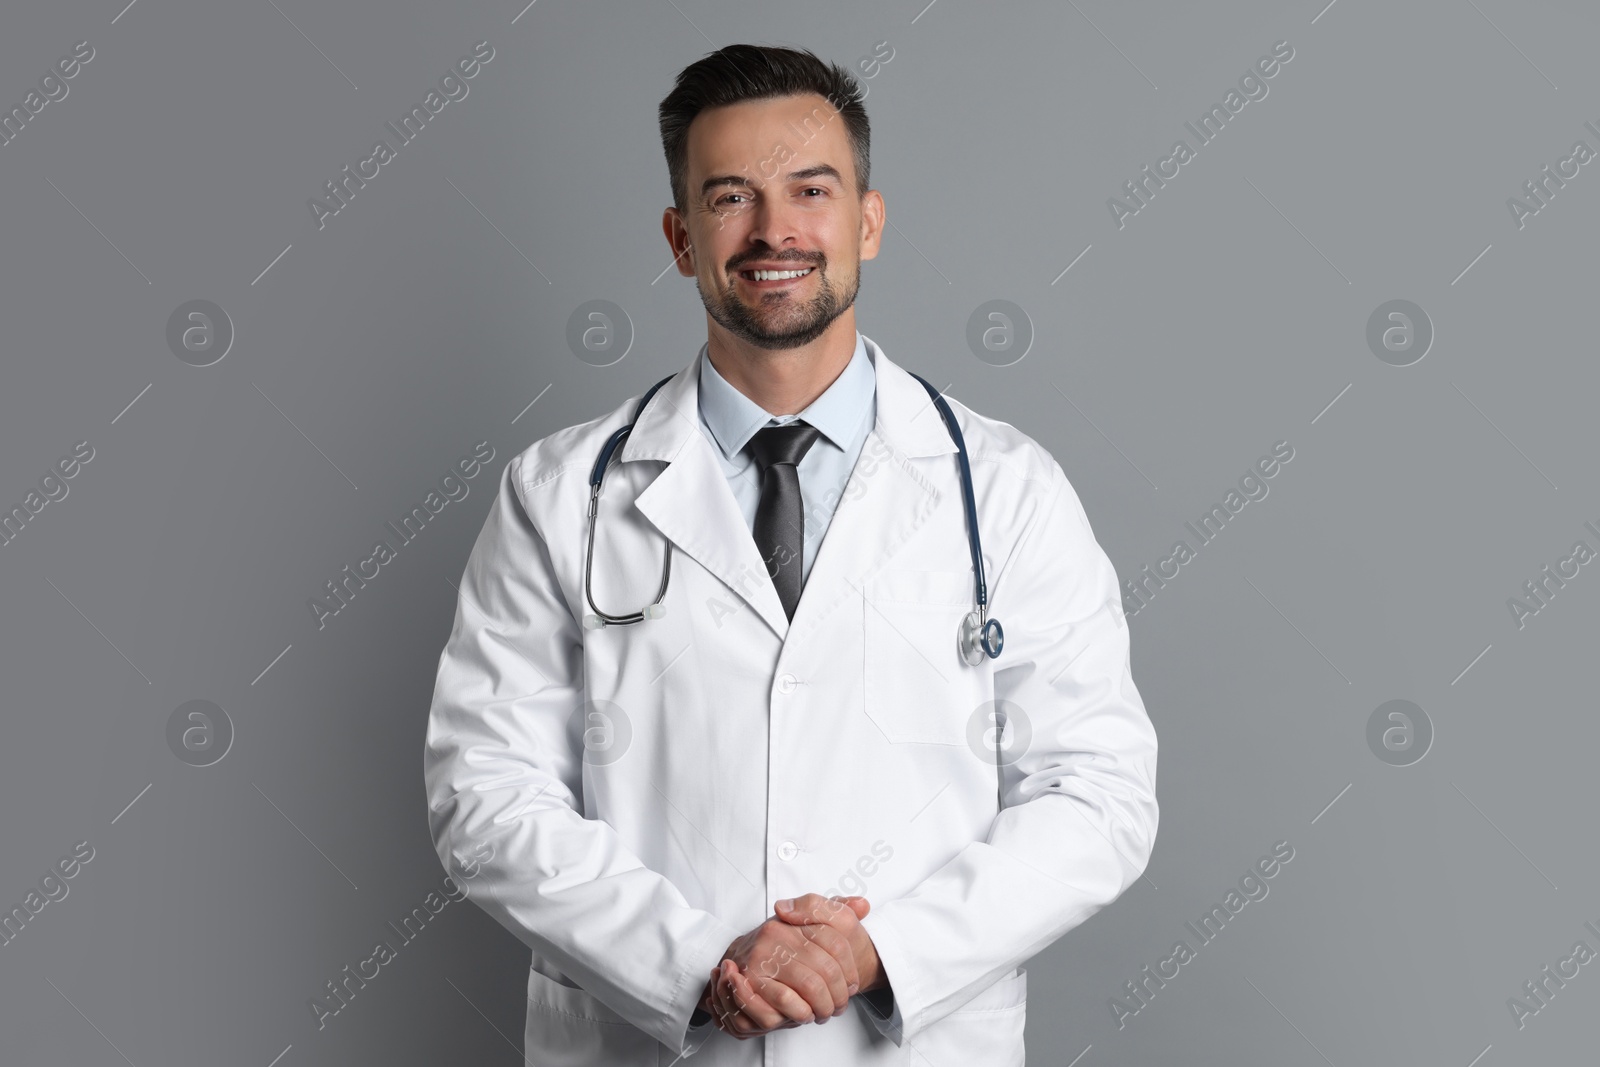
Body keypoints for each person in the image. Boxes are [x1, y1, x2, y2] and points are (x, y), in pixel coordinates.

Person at [423, 42, 1159, 1066]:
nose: (775, 231)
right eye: (730, 198)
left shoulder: (1004, 488)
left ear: (867, 220)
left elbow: (1097, 794)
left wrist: (876, 952)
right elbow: (486, 793)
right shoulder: (559, 496)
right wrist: (696, 967)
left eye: (810, 190)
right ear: (681, 240)